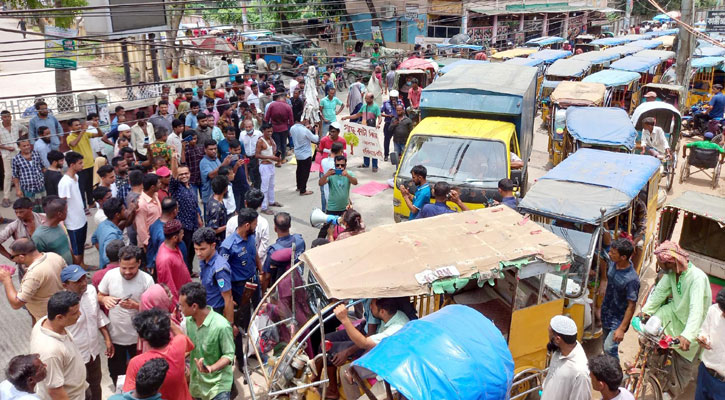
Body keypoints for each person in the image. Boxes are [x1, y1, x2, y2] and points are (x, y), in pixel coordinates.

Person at [641, 241, 712, 395]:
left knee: (682, 364)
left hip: (693, 324)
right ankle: (648, 365)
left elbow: (696, 310)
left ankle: (671, 393)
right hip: (674, 313)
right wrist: (646, 312)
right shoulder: (671, 273)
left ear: (670, 262)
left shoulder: (697, 278)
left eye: (661, 264)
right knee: (648, 331)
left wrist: (687, 335)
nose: (660, 267)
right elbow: (659, 293)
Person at [98, 245, 154, 387]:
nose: (127, 272)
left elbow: (154, 310)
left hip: (139, 339)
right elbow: (99, 295)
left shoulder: (147, 280)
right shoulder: (110, 276)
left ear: (139, 263)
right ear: (119, 263)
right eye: (124, 268)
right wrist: (104, 299)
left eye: (131, 268)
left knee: (140, 374)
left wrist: (136, 306)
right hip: (116, 338)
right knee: (116, 372)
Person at [331, 299, 410, 400]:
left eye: (372, 305)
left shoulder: (395, 329)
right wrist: (356, 365)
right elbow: (371, 346)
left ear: (382, 312)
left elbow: (364, 343)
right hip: (383, 361)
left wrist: (345, 320)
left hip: (394, 375)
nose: (369, 307)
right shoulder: (392, 315)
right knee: (345, 370)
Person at [61, 264, 112, 400]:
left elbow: (97, 315)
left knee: (96, 386)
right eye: (78, 281)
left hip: (93, 353)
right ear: (65, 285)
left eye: (84, 278)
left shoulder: (91, 291)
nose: (83, 283)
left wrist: (107, 339)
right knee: (82, 393)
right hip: (76, 358)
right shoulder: (61, 305)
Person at [179, 282, 235, 400]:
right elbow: (191, 346)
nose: (180, 309)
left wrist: (211, 368)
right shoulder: (189, 322)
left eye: (182, 306)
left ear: (194, 306)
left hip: (218, 385)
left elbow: (229, 356)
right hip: (198, 385)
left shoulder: (222, 326)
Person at [28, 291, 88, 400]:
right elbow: (55, 391)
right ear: (59, 317)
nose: (80, 314)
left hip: (80, 390)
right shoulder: (50, 352)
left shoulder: (44, 321)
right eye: (74, 313)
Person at [123, 309, 194, 400]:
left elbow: (130, 394)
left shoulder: (136, 363)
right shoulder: (179, 344)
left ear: (142, 338)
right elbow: (187, 343)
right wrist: (170, 323)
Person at [0, 238, 65, 323]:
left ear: (21, 257)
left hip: (48, 318)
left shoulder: (33, 275)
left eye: (12, 257)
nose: (12, 259)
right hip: (61, 308)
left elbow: (16, 303)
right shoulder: (53, 256)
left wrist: (6, 280)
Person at [600, 238, 640, 361]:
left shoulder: (632, 280)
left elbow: (631, 306)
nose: (610, 254)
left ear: (623, 257)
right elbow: (602, 257)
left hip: (618, 319)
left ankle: (615, 375)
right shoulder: (613, 263)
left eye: (613, 253)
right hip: (606, 312)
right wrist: (603, 280)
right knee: (604, 345)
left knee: (609, 348)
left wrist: (621, 328)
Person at [540, 315, 591, 400]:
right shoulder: (559, 350)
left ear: (557, 339)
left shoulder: (580, 373)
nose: (548, 337)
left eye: (549, 333)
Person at [192, 228, 234, 324]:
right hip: (206, 308)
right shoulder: (203, 259)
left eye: (202, 249)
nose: (198, 253)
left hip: (216, 312)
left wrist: (229, 325)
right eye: (196, 249)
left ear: (213, 246)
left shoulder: (220, 269)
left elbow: (228, 299)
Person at [59, 151, 90, 268]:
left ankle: (82, 264)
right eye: (80, 163)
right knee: (76, 250)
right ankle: (78, 273)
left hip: (81, 218)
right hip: (73, 222)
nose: (82, 165)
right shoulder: (65, 183)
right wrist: (62, 222)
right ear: (72, 165)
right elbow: (62, 203)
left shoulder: (76, 176)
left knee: (81, 246)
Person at [225, 189, 270, 269]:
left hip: (236, 265)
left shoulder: (232, 221)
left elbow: (227, 243)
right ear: (260, 205)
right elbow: (263, 247)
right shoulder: (263, 223)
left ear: (245, 202)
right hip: (254, 265)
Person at [67, 118, 104, 208]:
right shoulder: (70, 137)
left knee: (90, 186)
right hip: (80, 167)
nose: (79, 126)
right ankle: (83, 206)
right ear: (70, 128)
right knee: (81, 188)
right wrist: (82, 132)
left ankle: (91, 203)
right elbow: (74, 144)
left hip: (90, 164)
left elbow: (100, 134)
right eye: (76, 125)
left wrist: (97, 127)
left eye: (79, 124)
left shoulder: (85, 134)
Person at [695, 287, 725, 400]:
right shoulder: (714, 310)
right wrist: (703, 339)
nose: (722, 315)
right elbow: (704, 331)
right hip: (705, 373)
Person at [262, 212, 305, 289]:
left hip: (281, 290)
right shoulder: (300, 240)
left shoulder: (273, 251)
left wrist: (263, 294)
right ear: (290, 226)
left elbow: (267, 277)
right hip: (299, 282)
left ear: (275, 228)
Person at [343, 92, 381, 172]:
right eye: (365, 99)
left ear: (372, 98)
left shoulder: (376, 107)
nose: (366, 100)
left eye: (367, 99)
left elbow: (379, 117)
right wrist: (347, 117)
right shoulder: (364, 106)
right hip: (363, 130)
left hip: (371, 130)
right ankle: (366, 163)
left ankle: (375, 165)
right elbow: (357, 115)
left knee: (373, 148)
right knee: (365, 147)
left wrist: (378, 124)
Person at [155, 219, 191, 301]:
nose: (183, 235)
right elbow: (169, 288)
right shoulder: (165, 259)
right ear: (175, 237)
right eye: (182, 233)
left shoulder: (174, 246)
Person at [32, 198, 73, 266]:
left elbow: (67, 248)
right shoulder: (38, 237)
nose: (67, 213)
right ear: (59, 214)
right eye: (66, 211)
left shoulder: (59, 225)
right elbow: (38, 261)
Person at [11, 137, 45, 211]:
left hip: (40, 187)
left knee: (44, 208)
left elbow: (43, 168)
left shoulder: (36, 154)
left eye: (28, 145)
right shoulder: (16, 159)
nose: (27, 147)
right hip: (28, 189)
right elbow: (15, 176)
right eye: (24, 146)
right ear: (19, 147)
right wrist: (18, 190)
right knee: (31, 209)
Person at [91, 198, 126, 271]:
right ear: (117, 215)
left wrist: (101, 249)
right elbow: (107, 258)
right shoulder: (112, 235)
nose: (126, 211)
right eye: (123, 210)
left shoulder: (103, 224)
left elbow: (94, 239)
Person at [256, 123, 282, 215]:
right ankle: (263, 207)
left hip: (271, 165)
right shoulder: (260, 141)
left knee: (272, 185)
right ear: (263, 131)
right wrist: (270, 157)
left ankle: (271, 201)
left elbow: (273, 150)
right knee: (264, 187)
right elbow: (257, 155)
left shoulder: (271, 139)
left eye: (271, 131)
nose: (270, 133)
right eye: (268, 131)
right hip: (264, 166)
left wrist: (276, 157)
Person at [290, 117, 319, 195]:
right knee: (305, 172)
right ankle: (303, 190)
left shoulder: (292, 128)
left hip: (298, 153)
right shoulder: (305, 130)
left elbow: (299, 132)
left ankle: (299, 186)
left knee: (299, 170)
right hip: (305, 154)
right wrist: (316, 131)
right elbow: (315, 139)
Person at [1, 109, 23, 208]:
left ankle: (21, 193)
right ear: (1, 118)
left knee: (21, 173)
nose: (7, 118)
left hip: (18, 152)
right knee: (8, 175)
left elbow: (25, 130)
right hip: (6, 154)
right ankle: (6, 197)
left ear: (11, 117)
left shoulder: (16, 125)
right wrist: (6, 147)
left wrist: (19, 141)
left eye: (8, 116)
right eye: (4, 117)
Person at [265, 92, 294, 159]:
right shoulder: (287, 106)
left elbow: (267, 118)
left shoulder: (272, 105)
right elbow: (291, 120)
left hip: (274, 128)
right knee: (283, 144)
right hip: (284, 128)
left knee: (277, 144)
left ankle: (278, 159)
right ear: (284, 98)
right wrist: (291, 130)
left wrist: (267, 128)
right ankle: (283, 158)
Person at [205, 176, 229, 245]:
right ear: (225, 189)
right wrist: (228, 226)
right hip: (217, 242)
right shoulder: (217, 208)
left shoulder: (213, 197)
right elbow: (213, 230)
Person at [382, 92, 405, 160]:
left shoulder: (400, 103)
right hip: (388, 123)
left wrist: (396, 106)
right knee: (387, 139)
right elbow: (380, 112)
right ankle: (386, 155)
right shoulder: (386, 103)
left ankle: (399, 155)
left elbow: (404, 111)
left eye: (394, 98)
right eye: (391, 97)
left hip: (398, 123)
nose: (393, 99)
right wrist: (387, 115)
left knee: (398, 140)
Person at [241, 119, 263, 189]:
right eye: (246, 127)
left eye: (249, 127)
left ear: (253, 126)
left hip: (255, 157)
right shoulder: (242, 134)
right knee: (247, 174)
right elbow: (240, 146)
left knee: (257, 174)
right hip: (246, 157)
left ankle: (258, 190)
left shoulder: (258, 133)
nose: (248, 129)